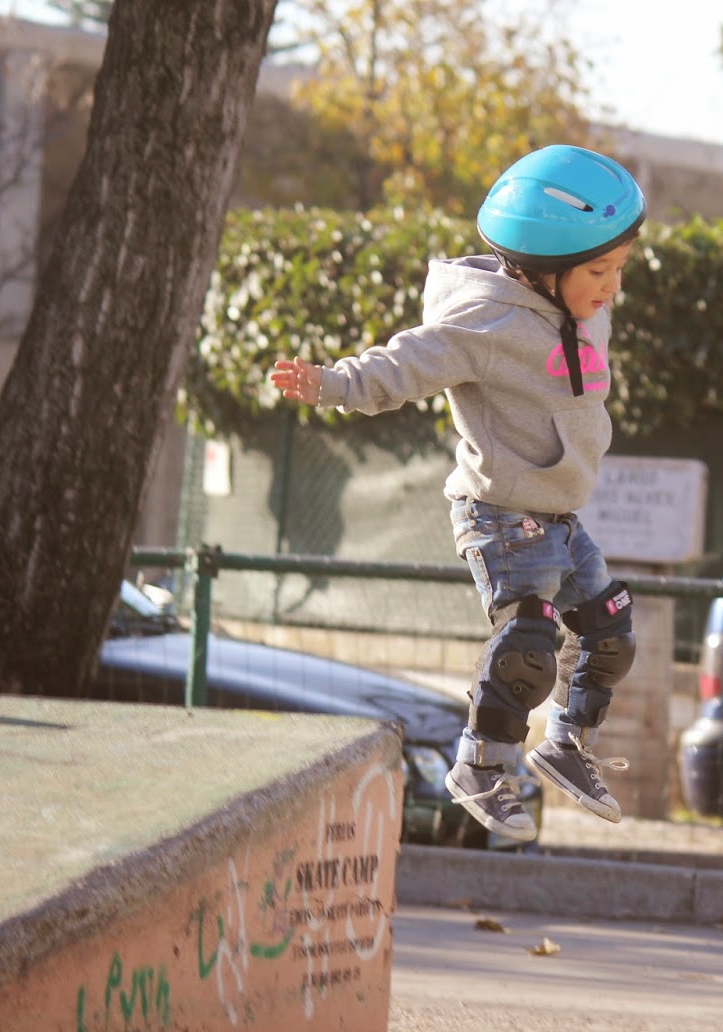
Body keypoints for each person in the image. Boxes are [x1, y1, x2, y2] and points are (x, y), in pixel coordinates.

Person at [269, 144, 646, 843]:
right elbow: (406, 363)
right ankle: (480, 767)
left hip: (559, 516)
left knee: (610, 630)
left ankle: (567, 745)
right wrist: (332, 382)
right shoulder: (484, 321)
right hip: (499, 514)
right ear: (542, 268)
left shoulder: (584, 312)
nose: (612, 288)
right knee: (529, 643)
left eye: (619, 268)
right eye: (599, 272)